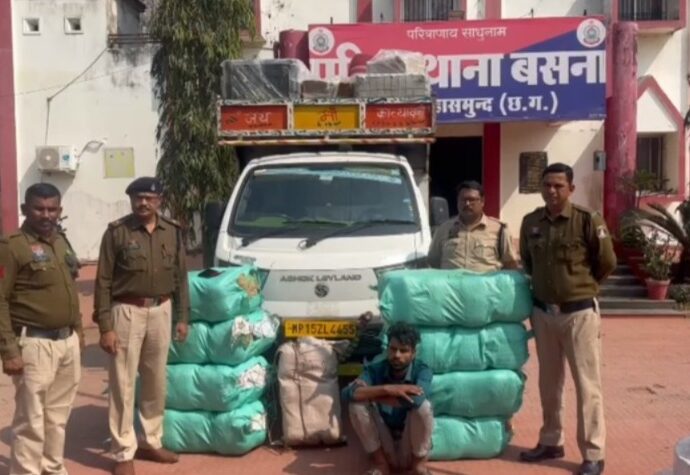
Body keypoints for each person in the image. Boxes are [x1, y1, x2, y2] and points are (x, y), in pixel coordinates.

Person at [518, 163, 616, 475]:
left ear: (571, 189)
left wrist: (581, 287)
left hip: (579, 314)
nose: (552, 190)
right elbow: (528, 262)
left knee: (587, 386)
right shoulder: (531, 222)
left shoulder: (586, 220)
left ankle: (593, 453)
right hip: (543, 314)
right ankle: (551, 441)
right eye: (547, 185)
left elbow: (606, 261)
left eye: (559, 185)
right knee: (549, 384)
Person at [93, 177, 190, 475]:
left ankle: (150, 440)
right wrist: (105, 326)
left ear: (160, 201)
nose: (143, 203)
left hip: (161, 310)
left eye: (149, 198)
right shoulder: (117, 232)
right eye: (138, 198)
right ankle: (123, 452)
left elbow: (180, 277)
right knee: (122, 383)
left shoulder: (172, 232)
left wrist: (182, 317)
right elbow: (103, 281)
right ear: (131, 200)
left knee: (155, 380)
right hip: (127, 311)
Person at [0, 183, 83, 475]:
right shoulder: (12, 246)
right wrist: (9, 350)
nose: (46, 215)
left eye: (52, 209)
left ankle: (52, 468)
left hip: (66, 341)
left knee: (57, 418)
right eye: (39, 208)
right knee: (31, 421)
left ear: (59, 210)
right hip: (34, 344)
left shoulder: (61, 241)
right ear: (25, 209)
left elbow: (70, 287)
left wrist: (78, 332)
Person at [343, 323, 433, 475]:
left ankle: (418, 466)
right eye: (393, 349)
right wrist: (388, 389)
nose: (397, 355)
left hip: (409, 447)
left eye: (403, 351)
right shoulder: (375, 369)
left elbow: (416, 401)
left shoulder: (422, 371)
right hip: (385, 446)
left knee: (424, 407)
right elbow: (347, 393)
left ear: (413, 353)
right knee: (356, 405)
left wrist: (373, 395)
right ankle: (381, 465)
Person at [428, 180, 518, 271]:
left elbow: (510, 264)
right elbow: (434, 262)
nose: (467, 204)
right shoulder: (444, 229)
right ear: (457, 202)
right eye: (463, 200)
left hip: (485, 280)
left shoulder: (499, 230)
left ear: (482, 202)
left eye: (472, 200)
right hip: (451, 280)